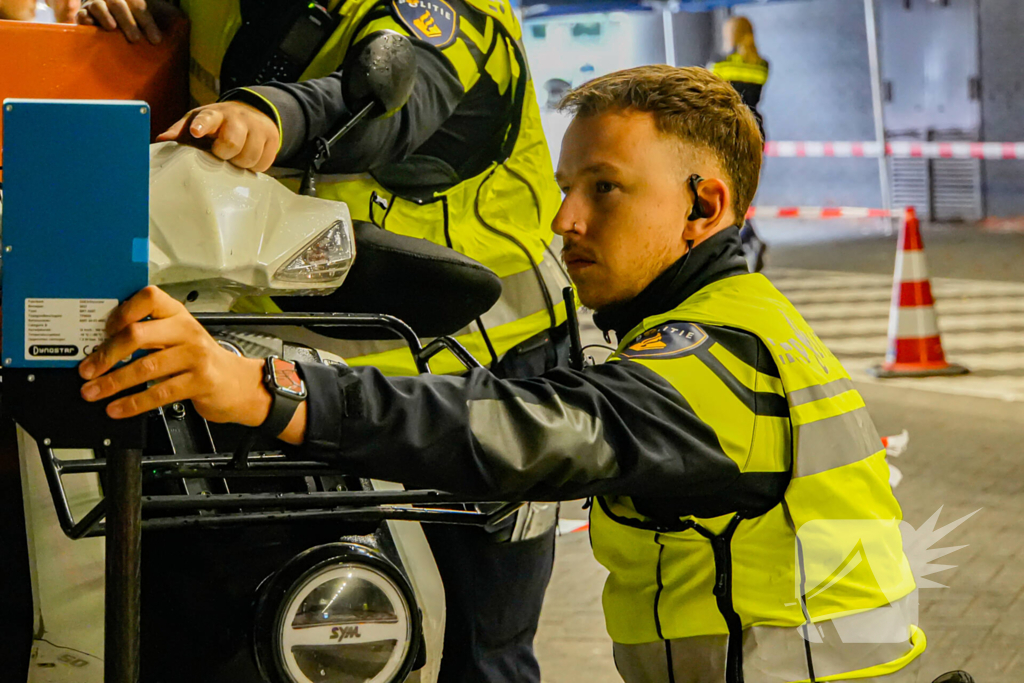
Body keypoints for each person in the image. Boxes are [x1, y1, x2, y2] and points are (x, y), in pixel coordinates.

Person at [77, 65, 933, 683]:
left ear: (703, 207)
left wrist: (258, 389)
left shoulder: (719, 358)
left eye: (606, 189)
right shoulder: (749, 321)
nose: (565, 218)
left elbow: (518, 427)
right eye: (567, 186)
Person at [77, 0, 569, 681]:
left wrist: (274, 116)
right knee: (296, 643)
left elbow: (403, 97)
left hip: (472, 370)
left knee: (480, 649)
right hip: (286, 378)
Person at [711, 15, 769, 273]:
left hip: (729, 129)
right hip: (756, 128)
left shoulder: (720, 64)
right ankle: (748, 240)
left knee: (731, 193)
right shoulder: (762, 65)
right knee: (744, 191)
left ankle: (747, 240)